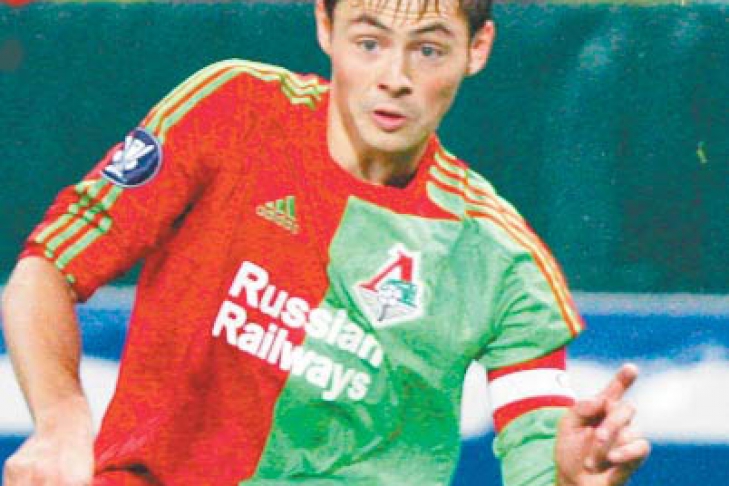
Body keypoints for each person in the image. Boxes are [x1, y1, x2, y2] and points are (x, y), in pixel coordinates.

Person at [1, 0, 650, 484]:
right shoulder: (231, 110)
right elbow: (47, 268)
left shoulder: (504, 260)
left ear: (477, 48)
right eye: (369, 42)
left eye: (428, 50)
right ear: (324, 26)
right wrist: (61, 423)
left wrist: (571, 476)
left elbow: (540, 456)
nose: (394, 76)